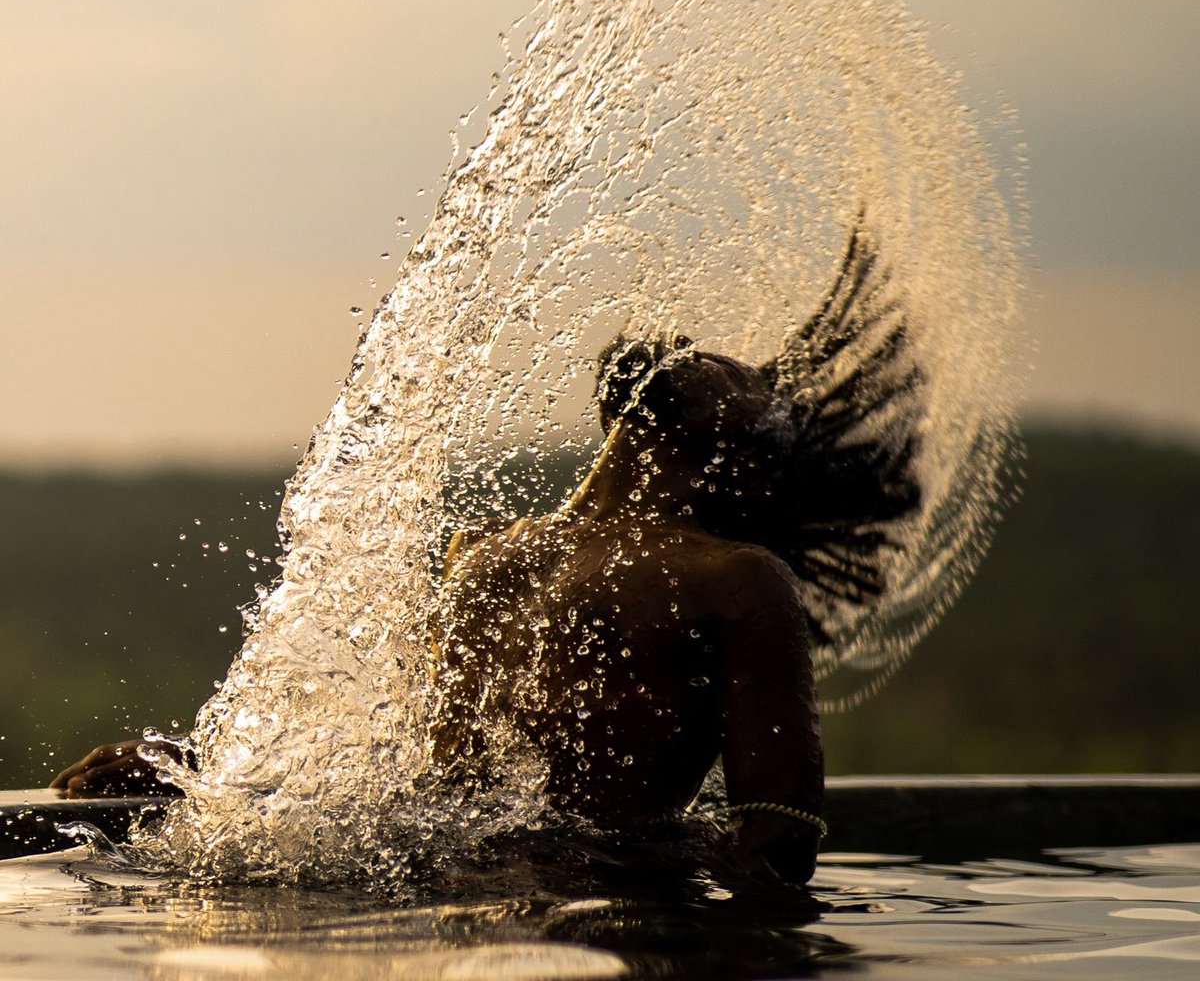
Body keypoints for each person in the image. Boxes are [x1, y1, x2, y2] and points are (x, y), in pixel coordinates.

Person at [52, 219, 922, 886]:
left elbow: (777, 832)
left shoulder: (736, 582)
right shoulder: (485, 552)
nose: (739, 366)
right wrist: (203, 782)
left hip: (606, 927)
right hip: (456, 920)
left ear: (740, 450)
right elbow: (411, 783)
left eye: (755, 382)